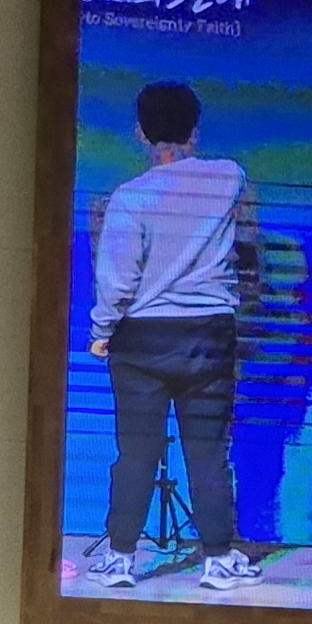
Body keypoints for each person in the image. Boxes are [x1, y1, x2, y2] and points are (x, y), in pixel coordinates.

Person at [86, 79, 264, 594]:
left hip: (142, 338)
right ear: (196, 129)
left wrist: (101, 332)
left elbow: (117, 280)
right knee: (208, 453)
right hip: (209, 334)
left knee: (136, 452)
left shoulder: (129, 198)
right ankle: (218, 560)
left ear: (141, 133)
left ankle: (121, 560)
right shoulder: (228, 176)